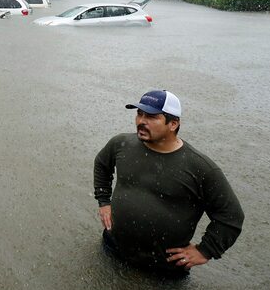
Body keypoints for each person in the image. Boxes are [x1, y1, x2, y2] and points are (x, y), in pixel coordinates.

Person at [94, 90, 244, 275]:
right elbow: (102, 164)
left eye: (151, 116)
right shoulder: (121, 144)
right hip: (112, 249)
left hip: (163, 269)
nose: (141, 121)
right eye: (139, 113)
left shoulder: (199, 167)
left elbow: (231, 216)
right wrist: (104, 201)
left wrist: (206, 250)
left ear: (173, 124)